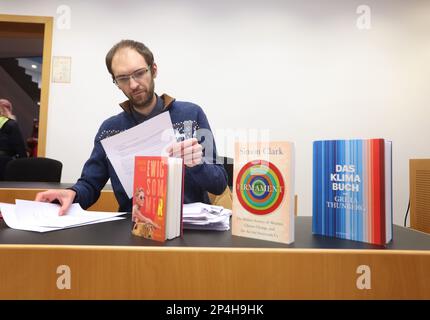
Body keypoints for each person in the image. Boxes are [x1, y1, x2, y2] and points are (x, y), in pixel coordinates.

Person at [35, 40, 227, 217]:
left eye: (139, 73)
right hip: (136, 227)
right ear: (116, 83)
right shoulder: (110, 129)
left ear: (154, 70)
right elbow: (90, 184)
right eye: (123, 78)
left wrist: (197, 164)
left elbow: (219, 183)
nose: (133, 84)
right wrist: (71, 193)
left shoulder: (191, 115)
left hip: (191, 227)